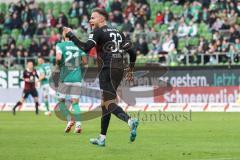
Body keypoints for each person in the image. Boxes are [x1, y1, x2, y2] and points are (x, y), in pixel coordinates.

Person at [64, 8, 139, 146]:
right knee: (105, 103)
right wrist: (131, 70)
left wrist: (71, 35)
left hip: (106, 69)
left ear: (101, 19)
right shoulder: (119, 33)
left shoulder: (98, 32)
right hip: (119, 69)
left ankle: (130, 120)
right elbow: (133, 53)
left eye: (93, 18)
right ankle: (102, 138)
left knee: (108, 103)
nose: (90, 20)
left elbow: (86, 47)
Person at [55, 29, 87, 133]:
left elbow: (59, 58)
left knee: (61, 102)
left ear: (63, 35)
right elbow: (85, 61)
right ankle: (78, 125)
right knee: (75, 103)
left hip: (65, 77)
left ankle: (69, 120)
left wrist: (58, 65)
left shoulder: (60, 45)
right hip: (77, 77)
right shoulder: (79, 45)